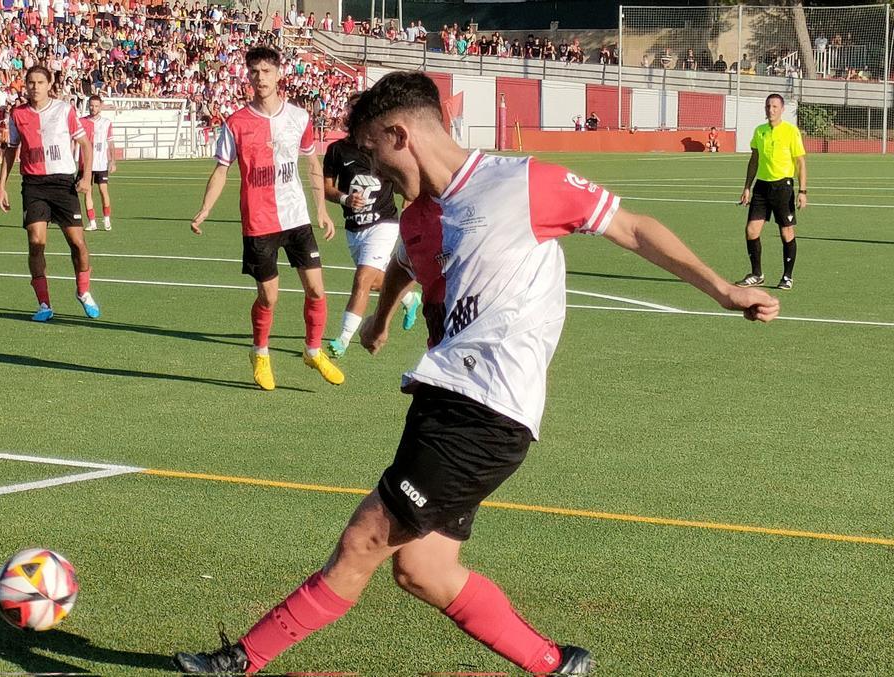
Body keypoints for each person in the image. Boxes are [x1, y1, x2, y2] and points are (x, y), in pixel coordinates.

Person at [173, 70, 780, 676]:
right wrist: (383, 318)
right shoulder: (418, 216)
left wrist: (725, 290)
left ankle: (238, 661)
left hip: (487, 409)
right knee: (424, 570)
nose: (374, 175)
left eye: (375, 155)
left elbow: (632, 227)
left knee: (362, 543)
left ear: (400, 134)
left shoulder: (522, 183)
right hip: (443, 398)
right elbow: (409, 263)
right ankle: (556, 665)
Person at [190, 46, 343, 391]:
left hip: (297, 218)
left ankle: (313, 351)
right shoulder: (236, 123)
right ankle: (260, 354)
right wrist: (206, 209)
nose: (260, 78)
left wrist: (320, 208)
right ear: (248, 76)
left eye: (266, 71)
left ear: (279, 74)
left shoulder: (299, 118)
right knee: (269, 297)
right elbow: (221, 170)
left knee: (317, 290)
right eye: (254, 72)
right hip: (259, 222)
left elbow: (312, 164)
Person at [0, 65, 100, 322]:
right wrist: (1, 185)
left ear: (49, 83)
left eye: (40, 82)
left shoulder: (64, 110)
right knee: (36, 242)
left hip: (63, 184)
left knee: (77, 243)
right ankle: (44, 303)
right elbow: (11, 150)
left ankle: (83, 291)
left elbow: (85, 144)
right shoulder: (18, 114)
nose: (35, 87)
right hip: (34, 185)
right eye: (30, 82)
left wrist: (86, 177)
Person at [320, 130, 420, 359]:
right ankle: (409, 298)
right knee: (374, 282)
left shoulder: (383, 148)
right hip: (354, 228)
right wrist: (345, 199)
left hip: (383, 224)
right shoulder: (337, 150)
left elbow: (409, 178)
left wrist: (408, 206)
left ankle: (343, 339)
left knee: (362, 280)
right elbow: (326, 188)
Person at [736, 93, 806, 291]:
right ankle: (757, 274)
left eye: (775, 106)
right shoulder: (760, 131)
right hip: (762, 187)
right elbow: (754, 160)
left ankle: (787, 276)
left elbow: (800, 162)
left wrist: (802, 190)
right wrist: (747, 187)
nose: (771, 110)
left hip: (783, 187)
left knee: (786, 232)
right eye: (768, 106)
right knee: (751, 230)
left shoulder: (791, 132)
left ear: (782, 109)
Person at [80, 94, 116, 231]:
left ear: (100, 107)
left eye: (96, 106)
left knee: (103, 190)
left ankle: (106, 219)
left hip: (101, 163)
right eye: (91, 105)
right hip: (86, 164)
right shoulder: (81, 121)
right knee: (87, 191)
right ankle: (92, 221)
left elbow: (111, 142)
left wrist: (112, 161)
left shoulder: (106, 123)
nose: (93, 108)